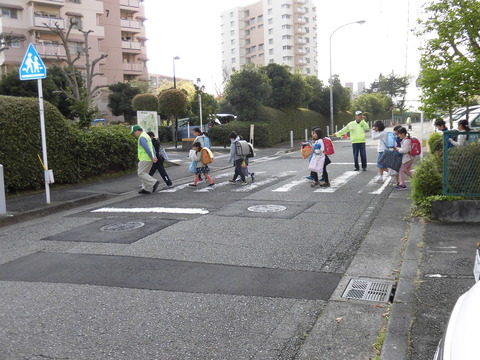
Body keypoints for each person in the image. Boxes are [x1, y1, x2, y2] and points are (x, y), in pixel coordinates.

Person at [130, 125, 160, 194]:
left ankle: (154, 182)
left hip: (145, 158)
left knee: (141, 173)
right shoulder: (146, 136)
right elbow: (151, 147)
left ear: (137, 131)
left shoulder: (142, 137)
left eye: (134, 132)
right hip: (149, 158)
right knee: (145, 173)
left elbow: (147, 148)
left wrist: (152, 157)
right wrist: (154, 156)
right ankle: (146, 188)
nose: (134, 134)